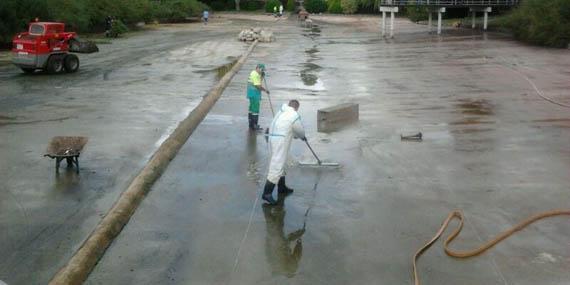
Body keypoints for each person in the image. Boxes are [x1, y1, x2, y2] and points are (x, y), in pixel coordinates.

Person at [262, 100, 306, 205]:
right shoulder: (293, 114)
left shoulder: (282, 111)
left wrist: (296, 135)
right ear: (296, 107)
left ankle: (282, 188)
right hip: (280, 141)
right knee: (277, 165)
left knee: (281, 163)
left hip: (272, 138)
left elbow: (290, 128)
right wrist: (303, 137)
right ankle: (267, 193)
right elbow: (299, 130)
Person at [246, 63, 269, 131]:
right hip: (254, 93)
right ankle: (254, 126)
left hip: (252, 93)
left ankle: (251, 124)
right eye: (262, 70)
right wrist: (265, 90)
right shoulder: (255, 74)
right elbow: (257, 86)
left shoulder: (254, 73)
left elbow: (259, 81)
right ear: (258, 68)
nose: (262, 71)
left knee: (251, 109)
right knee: (255, 110)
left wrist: (262, 76)